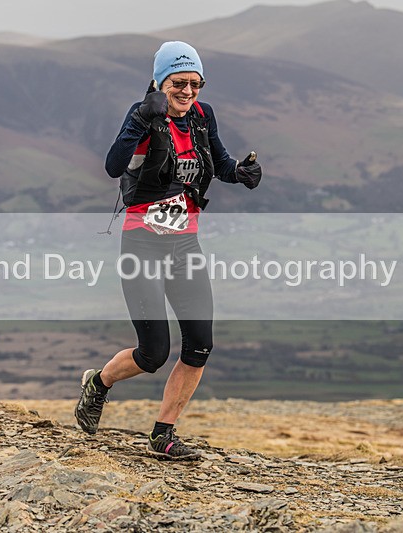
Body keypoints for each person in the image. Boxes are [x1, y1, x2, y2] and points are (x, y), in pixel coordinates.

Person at [75, 41, 262, 459]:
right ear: (162, 80)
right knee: (153, 353)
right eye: (180, 83)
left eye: (197, 83)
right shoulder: (143, 114)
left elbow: (221, 162)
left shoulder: (202, 115)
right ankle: (99, 383)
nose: (189, 91)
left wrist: (242, 173)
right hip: (142, 244)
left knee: (199, 345)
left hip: (185, 244)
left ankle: (163, 433)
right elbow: (112, 166)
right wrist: (141, 118)